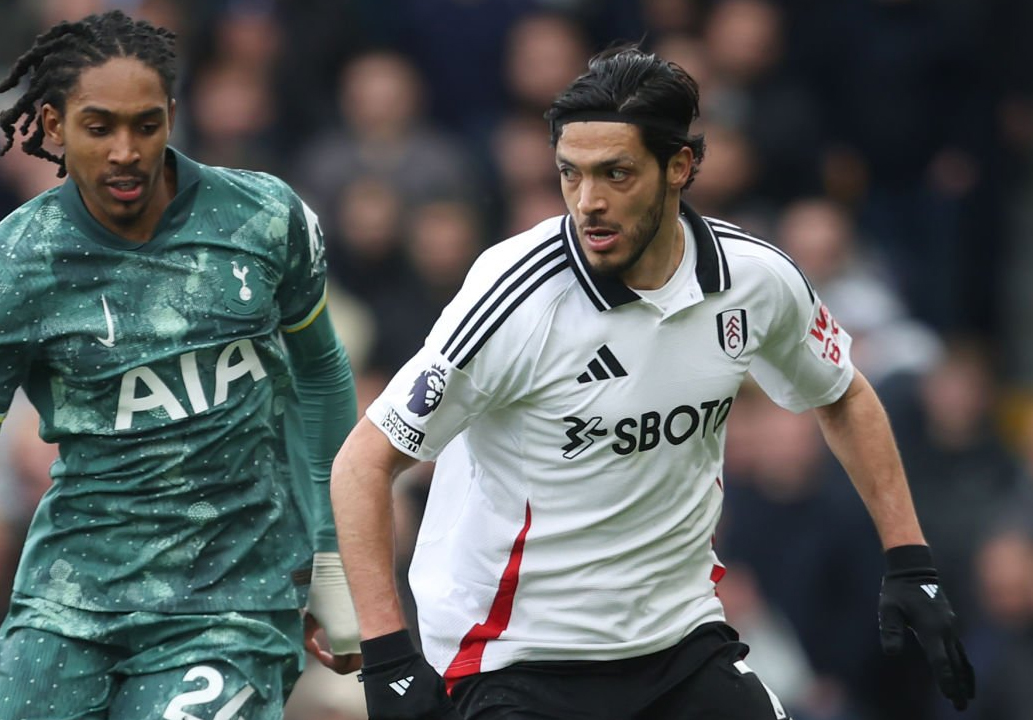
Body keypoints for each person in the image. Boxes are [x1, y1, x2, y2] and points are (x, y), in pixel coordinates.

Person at [331, 45, 975, 720]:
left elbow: (841, 393)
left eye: (616, 173)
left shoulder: (756, 279)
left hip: (680, 641)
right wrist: (389, 660)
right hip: (516, 658)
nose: (589, 202)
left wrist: (910, 559)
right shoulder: (515, 297)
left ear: (680, 167)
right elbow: (362, 465)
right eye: (570, 174)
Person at [0, 10, 361, 718]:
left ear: (172, 117)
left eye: (146, 125)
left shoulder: (264, 218)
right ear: (53, 126)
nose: (126, 151)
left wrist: (334, 557)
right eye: (99, 127)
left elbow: (324, 376)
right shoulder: (18, 261)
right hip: (71, 600)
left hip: (233, 603)